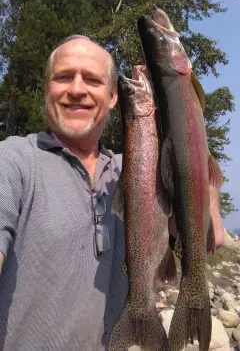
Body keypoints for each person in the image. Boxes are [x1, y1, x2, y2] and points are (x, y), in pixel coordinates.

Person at [0, 35, 224, 351]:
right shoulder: (12, 161)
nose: (76, 90)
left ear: (113, 96)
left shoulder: (137, 171)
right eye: (63, 77)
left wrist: (208, 194)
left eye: (92, 79)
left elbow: (199, 197)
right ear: (47, 87)